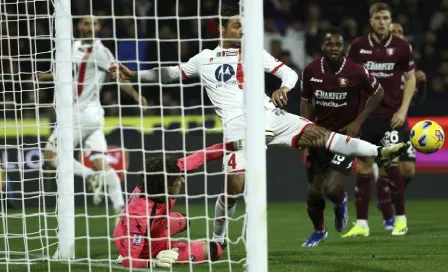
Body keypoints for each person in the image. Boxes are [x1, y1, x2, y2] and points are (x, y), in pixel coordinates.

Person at [109, 6, 409, 247]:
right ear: (223, 29)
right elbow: (170, 74)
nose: (243, 30)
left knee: (321, 135)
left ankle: (379, 151)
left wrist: (283, 89)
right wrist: (134, 75)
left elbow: (289, 73)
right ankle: (219, 236)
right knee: (234, 188)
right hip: (237, 125)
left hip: (270, 115)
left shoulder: (255, 52)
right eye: (237, 26)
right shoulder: (204, 59)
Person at [38, 17, 147, 214]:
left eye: (94, 24)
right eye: (86, 24)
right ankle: (121, 210)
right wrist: (45, 76)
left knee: (51, 155)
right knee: (100, 163)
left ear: (98, 28)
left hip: (81, 114)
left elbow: (118, 77)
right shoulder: (75, 46)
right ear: (79, 26)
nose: (89, 27)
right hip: (91, 117)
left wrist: (135, 95)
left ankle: (90, 177)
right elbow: (68, 74)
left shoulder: (100, 51)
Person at [300, 27, 384, 247]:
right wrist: (305, 127)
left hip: (346, 137)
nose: (334, 48)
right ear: (322, 46)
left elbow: (378, 92)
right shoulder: (310, 71)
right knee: (314, 194)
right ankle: (319, 231)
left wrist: (358, 121)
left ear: (344, 47)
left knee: (331, 188)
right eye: (330, 44)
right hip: (319, 136)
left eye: (338, 44)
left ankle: (341, 202)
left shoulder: (356, 71)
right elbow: (306, 100)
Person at [343, 2, 416, 237]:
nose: (382, 22)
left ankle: (400, 219)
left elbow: (411, 79)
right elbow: (351, 79)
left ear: (390, 20)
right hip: (366, 117)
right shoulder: (358, 47)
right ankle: (362, 224)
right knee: (363, 165)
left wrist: (403, 111)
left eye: (386, 18)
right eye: (378, 18)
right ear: (371, 20)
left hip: (391, 117)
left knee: (392, 167)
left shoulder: (402, 46)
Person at [113, 156, 223, 268]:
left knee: (185, 220)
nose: (182, 180)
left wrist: (229, 147)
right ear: (167, 186)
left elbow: (203, 155)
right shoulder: (141, 216)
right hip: (147, 247)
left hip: (147, 229)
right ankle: (154, 255)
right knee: (215, 250)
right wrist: (153, 262)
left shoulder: (158, 178)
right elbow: (128, 262)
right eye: (178, 179)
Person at [374, 22, 427, 226]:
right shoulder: (380, 62)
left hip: (403, 122)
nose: (397, 34)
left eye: (400, 31)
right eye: (393, 31)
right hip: (382, 121)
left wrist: (420, 84)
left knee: (409, 171)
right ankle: (387, 209)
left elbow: (416, 100)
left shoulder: (407, 64)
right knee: (389, 168)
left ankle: (389, 195)